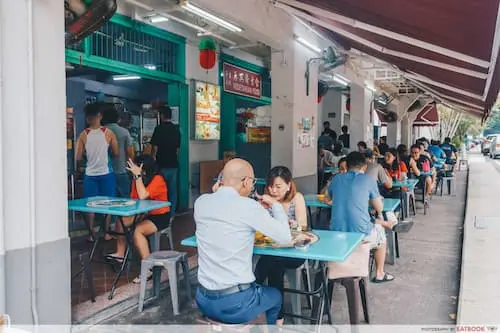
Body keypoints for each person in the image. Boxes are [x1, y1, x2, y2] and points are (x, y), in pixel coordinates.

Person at [194, 159, 292, 325]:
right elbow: (285, 237)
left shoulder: (201, 202)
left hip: (203, 300)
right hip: (235, 304)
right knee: (275, 296)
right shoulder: (248, 206)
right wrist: (275, 205)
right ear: (246, 182)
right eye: (253, 183)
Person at [327, 152, 394, 282]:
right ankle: (380, 273)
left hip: (336, 232)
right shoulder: (368, 180)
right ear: (364, 167)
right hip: (361, 234)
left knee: (375, 223)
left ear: (347, 165)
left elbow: (328, 198)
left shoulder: (337, 179)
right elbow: (379, 207)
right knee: (381, 236)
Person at [254, 166, 307, 325]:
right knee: (274, 264)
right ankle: (277, 319)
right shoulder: (266, 200)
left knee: (272, 263)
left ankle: (254, 290)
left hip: (294, 253)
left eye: (278, 186)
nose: (273, 190)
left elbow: (303, 227)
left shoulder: (296, 198)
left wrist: (293, 225)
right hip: (272, 250)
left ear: (289, 185)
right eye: (270, 186)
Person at [106, 155, 171, 283]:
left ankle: (148, 269)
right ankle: (120, 254)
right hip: (144, 213)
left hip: (160, 216)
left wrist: (137, 176)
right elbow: (134, 200)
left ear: (143, 169)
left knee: (137, 231)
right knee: (122, 220)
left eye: (135, 167)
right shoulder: (137, 181)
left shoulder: (158, 179)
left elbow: (143, 195)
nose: (132, 169)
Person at [76, 102, 119, 241]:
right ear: (100, 116)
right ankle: (106, 233)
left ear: (88, 118)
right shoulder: (108, 133)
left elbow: (77, 156)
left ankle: (91, 235)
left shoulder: (83, 135)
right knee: (108, 204)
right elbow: (116, 152)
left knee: (90, 206)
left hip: (90, 174)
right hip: (107, 173)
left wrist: (87, 158)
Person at [151, 106, 181, 216]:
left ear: (162, 116)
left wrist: (153, 159)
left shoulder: (158, 129)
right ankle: (172, 214)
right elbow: (178, 149)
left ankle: (162, 213)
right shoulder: (176, 130)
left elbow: (155, 148)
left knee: (160, 190)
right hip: (173, 164)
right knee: (172, 191)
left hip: (161, 164)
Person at [102, 103, 135, 198]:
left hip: (105, 172)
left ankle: (110, 213)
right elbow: (130, 152)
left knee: (108, 198)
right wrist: (131, 168)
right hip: (121, 170)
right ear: (118, 119)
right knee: (125, 198)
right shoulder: (124, 132)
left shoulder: (100, 132)